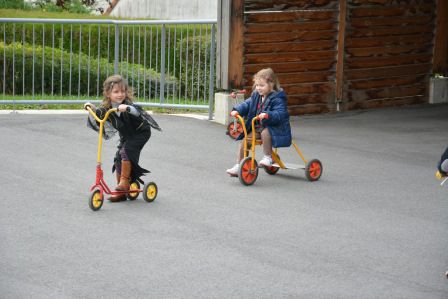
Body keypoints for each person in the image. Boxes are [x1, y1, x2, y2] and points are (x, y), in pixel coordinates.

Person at [85, 74, 161, 202]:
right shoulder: (107, 108)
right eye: (116, 92)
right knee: (118, 158)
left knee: (126, 151)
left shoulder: (127, 105)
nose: (120, 94)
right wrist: (91, 108)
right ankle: (121, 192)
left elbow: (137, 112)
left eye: (123, 91)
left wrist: (127, 108)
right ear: (108, 94)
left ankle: (124, 182)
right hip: (127, 135)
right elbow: (100, 115)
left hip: (140, 133)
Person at [226, 68, 292, 176]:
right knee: (246, 140)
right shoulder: (256, 95)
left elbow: (280, 114)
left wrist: (268, 115)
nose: (258, 88)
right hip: (258, 127)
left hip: (275, 128)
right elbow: (247, 104)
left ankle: (268, 157)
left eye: (262, 85)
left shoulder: (278, 98)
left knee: (265, 132)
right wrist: (237, 110)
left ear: (271, 84)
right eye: (257, 85)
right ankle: (239, 165)